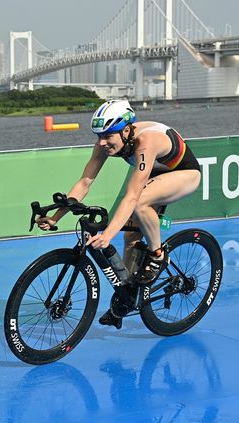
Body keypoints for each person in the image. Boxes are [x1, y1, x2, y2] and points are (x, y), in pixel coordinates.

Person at [37, 100, 201, 328]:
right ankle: (129, 298)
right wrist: (56, 216)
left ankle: (157, 255)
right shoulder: (106, 142)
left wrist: (107, 235)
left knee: (140, 203)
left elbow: (132, 197)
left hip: (184, 173)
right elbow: (84, 183)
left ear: (126, 130)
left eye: (107, 136)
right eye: (98, 136)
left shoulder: (146, 142)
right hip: (153, 172)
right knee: (131, 238)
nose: (102, 142)